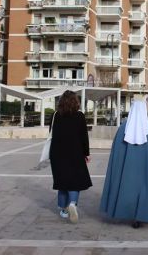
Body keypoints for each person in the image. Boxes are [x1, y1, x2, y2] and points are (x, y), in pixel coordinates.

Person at [99, 100, 148, 228]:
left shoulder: (124, 127)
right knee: (146, 189)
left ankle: (132, 215)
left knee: (128, 189)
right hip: (147, 169)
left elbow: (117, 151)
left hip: (128, 171)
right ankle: (145, 213)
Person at [49, 90, 92, 223]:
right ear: (76, 102)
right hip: (75, 152)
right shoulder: (80, 116)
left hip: (57, 153)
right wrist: (86, 153)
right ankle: (72, 203)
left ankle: (63, 210)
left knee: (62, 181)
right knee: (75, 181)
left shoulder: (55, 115)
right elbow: (84, 137)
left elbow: (51, 133)